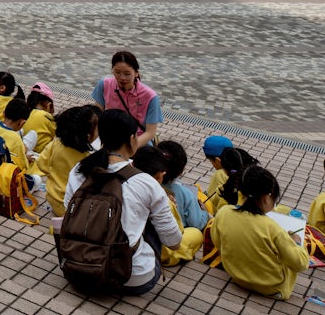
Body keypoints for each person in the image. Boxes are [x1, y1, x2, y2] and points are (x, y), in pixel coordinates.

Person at [62, 108, 182, 295]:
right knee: (151, 221)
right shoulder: (146, 182)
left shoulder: (80, 169)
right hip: (132, 279)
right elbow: (173, 241)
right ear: (132, 139)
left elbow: (67, 209)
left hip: (76, 269)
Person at [205, 165, 310, 300]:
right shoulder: (273, 228)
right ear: (267, 197)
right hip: (273, 289)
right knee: (292, 255)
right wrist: (296, 242)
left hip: (237, 277)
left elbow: (218, 243)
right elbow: (300, 264)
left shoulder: (224, 213)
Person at [90, 49, 163, 140]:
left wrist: (129, 148)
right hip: (109, 137)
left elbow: (150, 133)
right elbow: (97, 115)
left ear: (136, 73)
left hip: (137, 140)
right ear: (112, 70)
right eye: (117, 72)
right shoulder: (104, 85)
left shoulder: (150, 96)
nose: (122, 78)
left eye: (127, 74)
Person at [42, 104, 100, 219]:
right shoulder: (89, 157)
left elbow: (42, 165)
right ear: (89, 136)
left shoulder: (56, 144)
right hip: (71, 207)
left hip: (53, 199)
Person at [154, 140, 210, 232]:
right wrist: (204, 212)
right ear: (181, 171)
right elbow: (197, 224)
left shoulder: (141, 182)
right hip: (175, 239)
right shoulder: (186, 194)